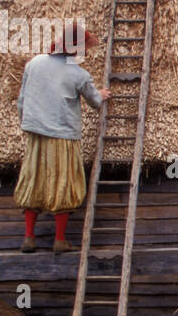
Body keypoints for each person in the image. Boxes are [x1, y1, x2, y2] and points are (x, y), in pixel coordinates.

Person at [14, 26, 109, 253]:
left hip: (36, 134)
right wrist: (102, 95)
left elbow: (22, 101)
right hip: (63, 137)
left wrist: (29, 125)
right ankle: (59, 240)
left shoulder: (34, 64)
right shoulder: (78, 74)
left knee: (33, 180)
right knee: (65, 184)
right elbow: (94, 101)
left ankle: (29, 237)